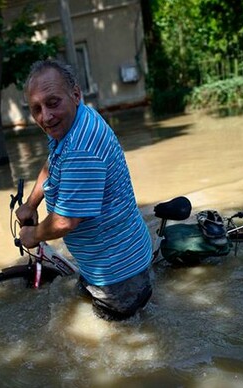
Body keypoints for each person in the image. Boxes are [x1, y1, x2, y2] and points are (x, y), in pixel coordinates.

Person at [16, 59, 153, 321]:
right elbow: (51, 165)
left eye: (52, 103)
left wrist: (33, 235)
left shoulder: (81, 148)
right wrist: (31, 204)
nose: (45, 116)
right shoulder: (72, 121)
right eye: (36, 109)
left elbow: (65, 221)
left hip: (117, 274)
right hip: (113, 258)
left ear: (76, 94)